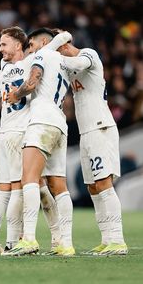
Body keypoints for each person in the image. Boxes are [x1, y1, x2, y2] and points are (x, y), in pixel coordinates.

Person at [0, 27, 61, 255]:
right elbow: (52, 46)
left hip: (3, 136)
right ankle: (13, 242)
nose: (0, 48)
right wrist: (62, 35)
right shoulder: (28, 64)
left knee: (4, 192)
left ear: (17, 45)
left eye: (4, 44)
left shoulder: (5, 71)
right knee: (18, 192)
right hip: (19, 134)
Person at [6, 28, 75, 256]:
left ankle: (29, 239)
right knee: (59, 187)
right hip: (59, 124)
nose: (30, 50)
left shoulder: (43, 54)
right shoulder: (64, 62)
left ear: (44, 41)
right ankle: (65, 243)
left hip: (42, 121)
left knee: (29, 178)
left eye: (32, 44)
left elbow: (33, 82)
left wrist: (17, 94)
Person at [57, 33, 128, 255]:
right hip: (86, 131)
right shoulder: (68, 68)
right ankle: (107, 239)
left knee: (104, 182)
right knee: (92, 186)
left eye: (58, 49)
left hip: (100, 126)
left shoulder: (88, 54)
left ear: (66, 45)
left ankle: (118, 239)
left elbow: (77, 62)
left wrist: (50, 54)